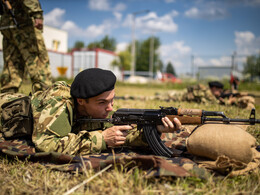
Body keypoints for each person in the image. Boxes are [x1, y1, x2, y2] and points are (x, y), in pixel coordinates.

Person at [0, 68, 182, 156]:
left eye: (112, 100)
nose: (110, 108)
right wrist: (101, 139)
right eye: (102, 102)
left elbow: (122, 134)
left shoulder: (91, 109)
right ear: (81, 101)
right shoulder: (59, 104)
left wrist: (156, 129)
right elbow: (46, 144)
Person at [0, 0, 52, 93]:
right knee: (37, 61)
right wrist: (36, 13)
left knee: (11, 64)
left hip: (6, 24)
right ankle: (44, 97)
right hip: (23, 22)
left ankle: (8, 99)